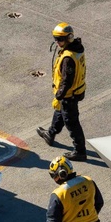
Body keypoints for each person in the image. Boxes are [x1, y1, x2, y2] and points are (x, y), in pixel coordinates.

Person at [36, 22, 88, 161]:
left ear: (68, 39)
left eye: (59, 39)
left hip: (69, 95)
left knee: (72, 123)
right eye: (56, 39)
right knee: (60, 112)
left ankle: (80, 151)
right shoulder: (76, 48)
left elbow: (67, 81)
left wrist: (59, 95)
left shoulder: (68, 58)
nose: (57, 42)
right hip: (74, 92)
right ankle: (50, 133)